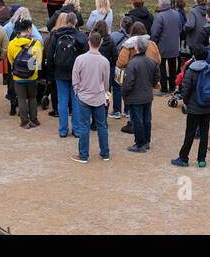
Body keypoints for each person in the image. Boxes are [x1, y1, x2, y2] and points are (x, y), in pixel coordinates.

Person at [70, 30, 112, 162]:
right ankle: (105, 153)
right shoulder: (104, 61)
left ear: (89, 42)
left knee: (84, 126)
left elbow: (75, 78)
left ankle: (83, 155)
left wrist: (77, 91)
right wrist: (104, 92)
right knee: (102, 126)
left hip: (84, 97)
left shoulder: (80, 59)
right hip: (98, 97)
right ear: (100, 43)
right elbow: (106, 81)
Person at [172, 47, 210, 168]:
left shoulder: (190, 70)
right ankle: (202, 159)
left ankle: (184, 158)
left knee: (190, 133)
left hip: (194, 106)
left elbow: (185, 89)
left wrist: (186, 102)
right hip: (207, 105)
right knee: (204, 133)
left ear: (194, 57)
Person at [48, 10, 89, 138]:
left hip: (60, 72)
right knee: (76, 101)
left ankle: (63, 129)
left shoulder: (56, 35)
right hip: (76, 74)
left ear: (66, 21)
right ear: (76, 22)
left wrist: (51, 72)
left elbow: (50, 55)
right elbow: (85, 57)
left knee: (62, 101)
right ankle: (76, 129)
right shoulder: (81, 37)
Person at [120, 32, 159, 152]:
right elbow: (156, 78)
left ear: (136, 48)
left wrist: (124, 93)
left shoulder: (132, 64)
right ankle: (146, 141)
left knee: (138, 120)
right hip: (147, 95)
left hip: (135, 97)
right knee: (147, 119)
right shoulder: (152, 61)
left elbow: (128, 83)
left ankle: (139, 144)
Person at [8, 18, 44, 128]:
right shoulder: (36, 44)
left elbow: (11, 60)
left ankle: (24, 121)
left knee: (21, 98)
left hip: (18, 77)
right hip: (32, 76)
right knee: (32, 98)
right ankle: (34, 119)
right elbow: (38, 62)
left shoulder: (12, 44)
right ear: (28, 29)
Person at [150, 0, 182, 94]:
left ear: (161, 5)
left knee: (162, 66)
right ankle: (172, 87)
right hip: (174, 45)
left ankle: (164, 88)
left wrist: (153, 43)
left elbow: (155, 32)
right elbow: (180, 28)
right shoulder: (176, 14)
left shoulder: (159, 17)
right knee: (173, 66)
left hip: (162, 46)